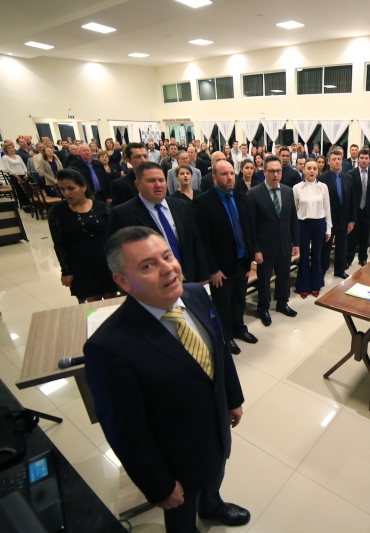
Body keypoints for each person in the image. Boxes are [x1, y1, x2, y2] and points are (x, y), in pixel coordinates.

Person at [84, 226, 249, 533]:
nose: (168, 269)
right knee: (181, 512)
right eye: (148, 266)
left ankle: (212, 505)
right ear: (123, 281)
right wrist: (158, 485)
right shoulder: (109, 347)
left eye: (167, 256)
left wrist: (233, 397)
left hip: (215, 429)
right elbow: (126, 431)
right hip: (175, 456)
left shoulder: (196, 294)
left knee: (214, 475)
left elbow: (219, 350)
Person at [193, 160, 258, 355]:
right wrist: (212, 269)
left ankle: (239, 328)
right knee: (223, 305)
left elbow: (249, 229)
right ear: (214, 177)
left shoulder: (241, 197)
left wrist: (250, 259)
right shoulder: (203, 202)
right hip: (220, 267)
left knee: (239, 299)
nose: (230, 178)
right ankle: (226, 336)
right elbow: (202, 241)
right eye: (224, 174)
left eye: (232, 173)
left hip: (241, 261)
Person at [107, 161, 209, 284]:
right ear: (138, 184)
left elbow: (195, 241)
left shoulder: (181, 205)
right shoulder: (122, 214)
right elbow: (116, 255)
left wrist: (203, 276)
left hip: (187, 279)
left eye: (161, 180)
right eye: (151, 181)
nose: (158, 185)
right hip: (151, 285)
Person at [49, 169, 118, 303]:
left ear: (84, 187)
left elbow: (114, 237)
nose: (66, 193)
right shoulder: (58, 211)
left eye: (71, 188)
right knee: (92, 303)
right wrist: (66, 271)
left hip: (105, 262)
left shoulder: (102, 207)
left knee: (112, 300)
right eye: (62, 189)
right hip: (80, 265)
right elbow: (59, 243)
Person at [247, 155, 300, 327]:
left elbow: (293, 219)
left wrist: (296, 243)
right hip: (264, 247)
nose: (275, 175)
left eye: (278, 171)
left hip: (284, 243)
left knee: (284, 275)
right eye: (271, 171)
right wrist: (256, 250)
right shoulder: (254, 193)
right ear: (264, 172)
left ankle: (282, 303)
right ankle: (263, 308)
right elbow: (251, 226)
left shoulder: (288, 191)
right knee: (264, 279)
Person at [293, 159, 331, 298]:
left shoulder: (323, 187)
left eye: (314, 168)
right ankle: (303, 286)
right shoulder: (297, 188)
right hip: (302, 224)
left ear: (318, 171)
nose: (312, 171)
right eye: (309, 168)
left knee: (316, 255)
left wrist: (328, 228)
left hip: (319, 224)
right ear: (304, 170)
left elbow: (327, 209)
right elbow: (294, 210)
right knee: (303, 256)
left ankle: (316, 284)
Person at [318, 149, 356, 279]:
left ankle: (340, 270)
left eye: (339, 159)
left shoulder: (348, 178)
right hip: (328, 219)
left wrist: (352, 220)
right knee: (326, 247)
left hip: (344, 219)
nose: (337, 162)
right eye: (334, 159)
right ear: (329, 161)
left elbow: (352, 200)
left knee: (342, 246)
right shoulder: (321, 179)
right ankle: (322, 271)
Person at [346, 149, 370, 267]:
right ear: (358, 159)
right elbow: (348, 195)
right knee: (352, 237)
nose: (364, 160)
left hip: (368, 211)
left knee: (365, 237)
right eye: (362, 158)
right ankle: (348, 259)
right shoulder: (351, 174)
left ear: (369, 159)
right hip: (355, 211)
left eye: (366, 158)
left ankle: (363, 258)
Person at [0, 142, 32, 212]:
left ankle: (29, 204)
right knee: (20, 191)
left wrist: (26, 174)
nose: (12, 149)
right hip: (14, 175)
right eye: (9, 148)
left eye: (12, 148)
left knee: (26, 190)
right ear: (6, 149)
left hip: (22, 174)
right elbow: (8, 168)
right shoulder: (5, 157)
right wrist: (16, 175)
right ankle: (24, 205)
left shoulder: (18, 156)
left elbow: (23, 165)